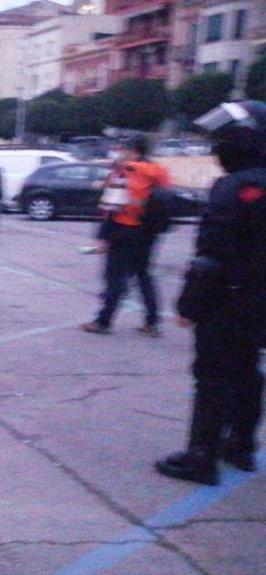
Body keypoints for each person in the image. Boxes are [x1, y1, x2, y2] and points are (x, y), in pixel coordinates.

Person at [154, 100, 266, 486]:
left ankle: (201, 455)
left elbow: (212, 255)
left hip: (225, 300)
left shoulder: (232, 187)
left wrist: (190, 303)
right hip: (258, 302)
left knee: (212, 375)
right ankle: (241, 446)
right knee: (248, 373)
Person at [81, 135, 170, 337]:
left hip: (123, 228)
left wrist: (103, 235)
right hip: (148, 232)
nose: (121, 152)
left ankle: (103, 322)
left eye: (124, 149)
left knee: (115, 276)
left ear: (134, 151)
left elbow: (111, 203)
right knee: (144, 275)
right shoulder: (158, 171)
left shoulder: (124, 170)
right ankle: (152, 322)